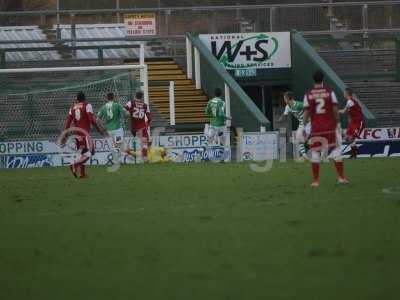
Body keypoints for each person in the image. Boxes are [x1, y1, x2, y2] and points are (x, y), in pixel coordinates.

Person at [303, 71, 348, 187]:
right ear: (323, 79)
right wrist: (338, 123)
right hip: (330, 126)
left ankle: (315, 181)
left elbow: (306, 112)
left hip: (316, 128)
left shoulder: (308, 94)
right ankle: (341, 178)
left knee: (315, 153)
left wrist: (303, 125)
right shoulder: (329, 92)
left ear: (313, 80)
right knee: (336, 150)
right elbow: (334, 109)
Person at [62, 91, 105, 178]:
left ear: (77, 99)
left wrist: (65, 134)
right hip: (84, 133)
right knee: (90, 153)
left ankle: (82, 174)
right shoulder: (87, 105)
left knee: (83, 153)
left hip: (77, 134)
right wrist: (98, 129)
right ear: (84, 98)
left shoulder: (72, 107)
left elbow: (68, 122)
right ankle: (74, 165)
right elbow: (91, 119)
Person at [279, 91, 310, 159]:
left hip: (308, 123)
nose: (284, 100)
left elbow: (309, 109)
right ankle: (304, 155)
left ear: (288, 98)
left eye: (284, 98)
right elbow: (285, 115)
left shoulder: (299, 104)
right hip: (302, 123)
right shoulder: (288, 107)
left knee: (302, 139)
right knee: (299, 139)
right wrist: (280, 119)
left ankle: (309, 152)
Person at [97, 92, 126, 165]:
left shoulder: (103, 107)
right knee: (118, 144)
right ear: (114, 97)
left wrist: (102, 127)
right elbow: (126, 113)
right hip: (118, 129)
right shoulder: (117, 105)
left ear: (106, 98)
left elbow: (97, 119)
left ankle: (115, 160)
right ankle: (118, 160)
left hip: (108, 130)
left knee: (112, 146)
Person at [124, 91, 152, 162]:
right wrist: (147, 124)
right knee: (145, 142)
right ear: (142, 97)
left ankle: (127, 154)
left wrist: (127, 113)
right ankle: (145, 158)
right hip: (142, 127)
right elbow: (149, 118)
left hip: (133, 127)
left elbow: (124, 109)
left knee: (133, 142)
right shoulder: (145, 105)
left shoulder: (131, 102)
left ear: (135, 95)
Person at [204, 88, 230, 162]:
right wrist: (228, 117)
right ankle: (221, 159)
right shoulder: (222, 102)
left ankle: (206, 156)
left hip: (212, 124)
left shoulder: (210, 102)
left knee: (209, 140)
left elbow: (206, 113)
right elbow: (221, 114)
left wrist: (212, 116)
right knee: (223, 141)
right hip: (220, 125)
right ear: (221, 94)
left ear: (214, 94)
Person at [339, 88, 365, 159]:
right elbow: (356, 109)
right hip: (353, 122)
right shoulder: (352, 101)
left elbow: (344, 111)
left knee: (350, 138)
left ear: (347, 93)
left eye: (344, 93)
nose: (343, 94)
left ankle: (354, 154)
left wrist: (335, 111)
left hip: (358, 122)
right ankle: (354, 152)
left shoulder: (350, 101)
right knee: (347, 138)